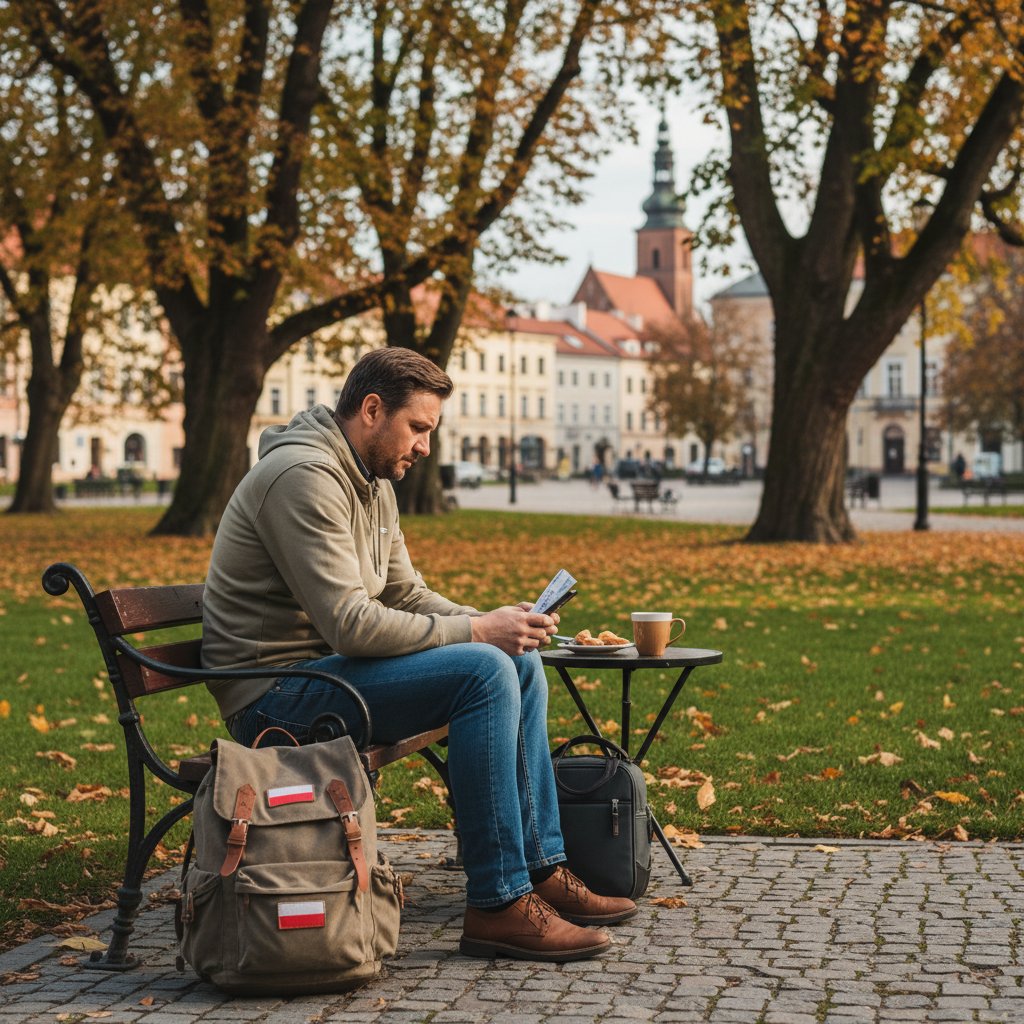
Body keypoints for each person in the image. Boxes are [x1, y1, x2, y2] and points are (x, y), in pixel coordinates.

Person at [201, 347, 636, 962]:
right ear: (373, 410)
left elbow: (405, 593)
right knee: (485, 668)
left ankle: (539, 869)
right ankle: (497, 903)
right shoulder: (303, 477)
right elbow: (350, 624)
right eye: (420, 428)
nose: (427, 446)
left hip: (327, 676)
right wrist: (478, 635)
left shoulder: (371, 481)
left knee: (517, 659)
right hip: (276, 695)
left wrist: (494, 622)